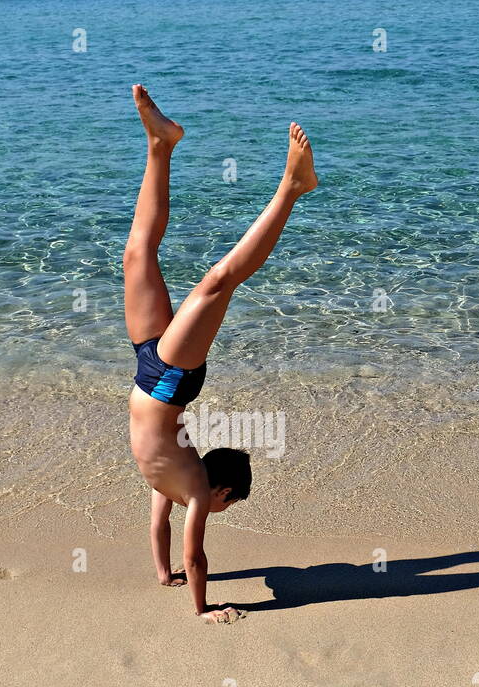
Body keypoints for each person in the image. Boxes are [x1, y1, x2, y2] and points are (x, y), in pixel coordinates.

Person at [123, 85, 317, 623]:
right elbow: (197, 554)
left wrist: (166, 579)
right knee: (217, 282)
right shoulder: (192, 487)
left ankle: (162, 144)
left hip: (148, 368)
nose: (215, 512)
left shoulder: (175, 483)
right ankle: (292, 188)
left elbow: (167, 537)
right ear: (223, 492)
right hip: (168, 381)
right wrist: (202, 605)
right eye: (224, 506)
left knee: (138, 249)